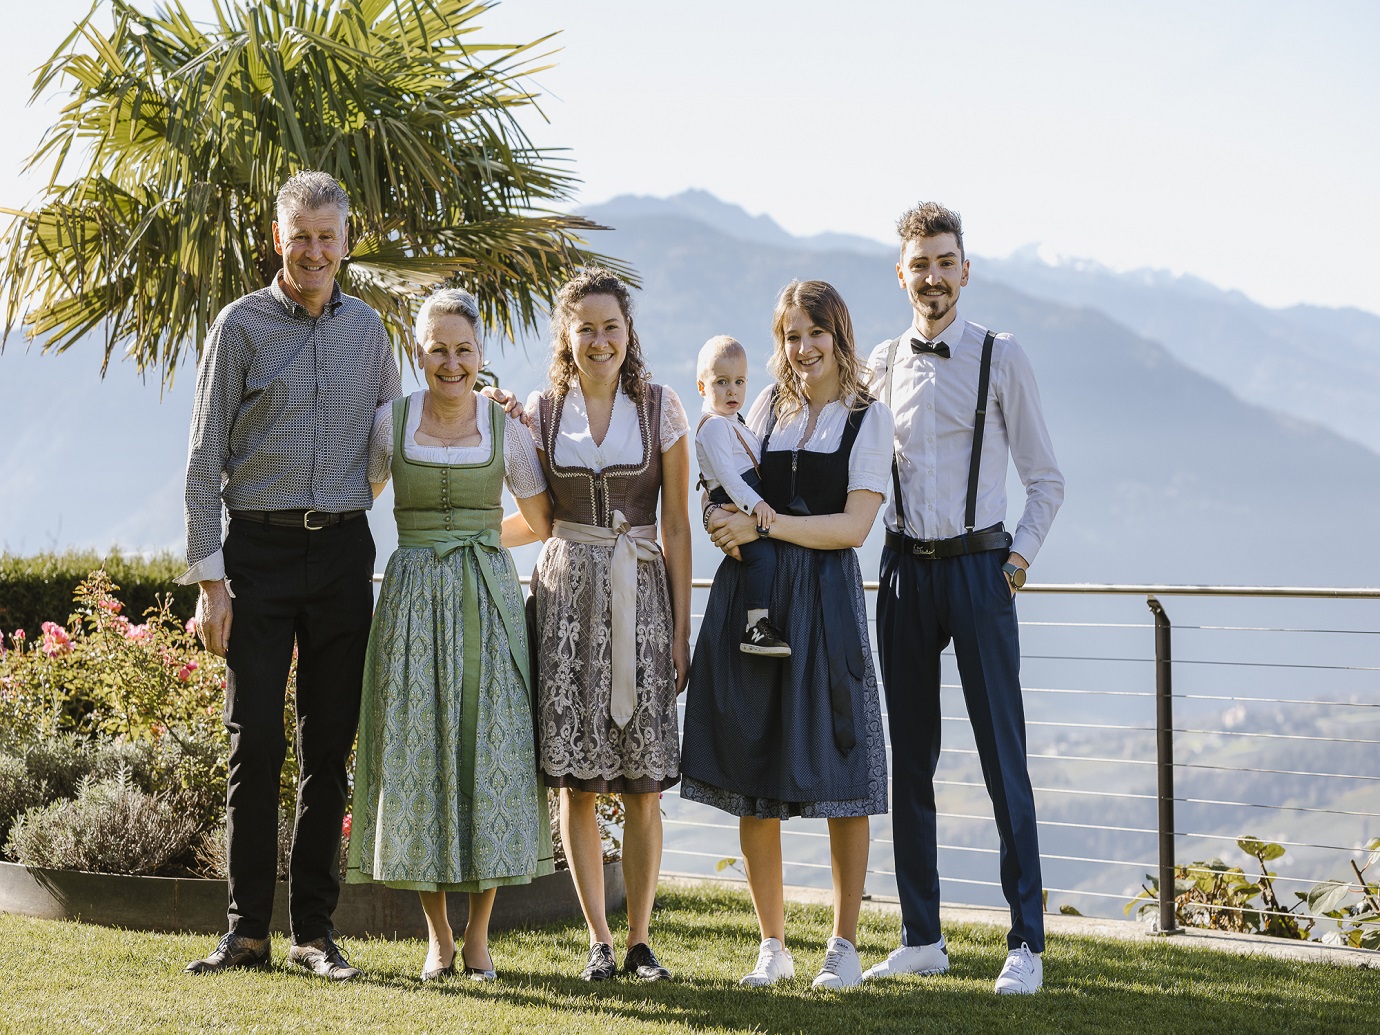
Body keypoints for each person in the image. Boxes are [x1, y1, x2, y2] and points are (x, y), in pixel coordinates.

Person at [178, 171, 401, 980]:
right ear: (279, 237)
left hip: (343, 553)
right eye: (300, 235)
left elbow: (392, 437)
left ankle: (314, 932)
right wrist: (211, 582)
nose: (313, 251)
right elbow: (203, 458)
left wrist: (490, 416)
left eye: (326, 237)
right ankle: (246, 931)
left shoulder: (369, 331)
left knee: (328, 748)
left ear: (345, 242)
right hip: (257, 556)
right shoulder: (239, 325)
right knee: (256, 742)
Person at [862, 202, 1064, 995]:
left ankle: (1027, 943)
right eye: (920, 264)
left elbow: (1046, 478)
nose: (933, 276)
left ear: (965, 270)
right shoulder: (881, 363)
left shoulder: (1000, 356)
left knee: (1002, 760)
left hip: (980, 570)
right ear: (902, 274)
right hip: (904, 572)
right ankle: (922, 935)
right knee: (909, 762)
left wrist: (1015, 563)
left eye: (945, 262)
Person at [681, 280, 894, 990]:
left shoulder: (868, 417)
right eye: (791, 336)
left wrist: (764, 527)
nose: (802, 349)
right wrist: (721, 521)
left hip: (825, 601)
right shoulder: (767, 405)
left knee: (843, 766)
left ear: (839, 334)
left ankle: (844, 944)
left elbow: (853, 528)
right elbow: (723, 483)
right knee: (752, 762)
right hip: (757, 598)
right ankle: (772, 944)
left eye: (814, 333)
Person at [345, 288, 555, 982]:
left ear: (480, 354)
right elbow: (355, 498)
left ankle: (481, 934)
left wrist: (480, 537)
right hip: (410, 605)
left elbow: (542, 521)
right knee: (419, 757)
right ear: (419, 353)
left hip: (487, 601)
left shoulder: (505, 431)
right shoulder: (391, 424)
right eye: (439, 349)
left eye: (464, 349)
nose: (452, 362)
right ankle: (438, 935)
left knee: (492, 752)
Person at [513, 267, 692, 983]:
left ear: (628, 332)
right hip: (565, 601)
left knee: (644, 781)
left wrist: (680, 630)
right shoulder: (538, 411)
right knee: (577, 783)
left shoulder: (661, 406)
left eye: (610, 326)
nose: (599, 340)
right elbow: (530, 507)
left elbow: (677, 524)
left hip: (641, 596)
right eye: (585, 327)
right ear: (567, 334)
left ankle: (641, 939)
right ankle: (599, 940)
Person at [693, 335, 788, 657]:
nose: (732, 391)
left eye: (739, 381)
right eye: (721, 382)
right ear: (702, 387)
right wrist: (756, 504)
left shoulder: (735, 421)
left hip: (748, 495)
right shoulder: (714, 427)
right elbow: (729, 476)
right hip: (738, 499)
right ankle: (755, 627)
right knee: (763, 557)